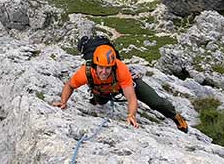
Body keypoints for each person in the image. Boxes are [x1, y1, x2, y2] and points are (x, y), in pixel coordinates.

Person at [52, 36, 189, 133]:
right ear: (95, 65)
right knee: (100, 101)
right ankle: (97, 98)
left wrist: (131, 115)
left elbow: (131, 98)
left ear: (113, 66)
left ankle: (175, 116)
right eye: (101, 67)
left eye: (108, 68)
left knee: (156, 102)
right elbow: (70, 85)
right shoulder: (86, 72)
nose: (104, 71)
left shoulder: (121, 70)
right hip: (102, 89)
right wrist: (63, 101)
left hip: (122, 84)